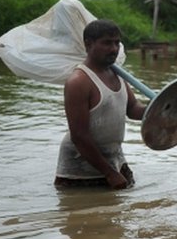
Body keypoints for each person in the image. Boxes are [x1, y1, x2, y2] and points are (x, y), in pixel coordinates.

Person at [55, 20, 146, 190]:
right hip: (80, 171)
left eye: (116, 43)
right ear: (88, 44)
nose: (113, 49)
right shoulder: (79, 82)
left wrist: (161, 108)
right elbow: (79, 136)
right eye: (106, 43)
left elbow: (133, 109)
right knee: (84, 214)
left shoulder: (117, 73)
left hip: (115, 161)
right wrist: (109, 173)